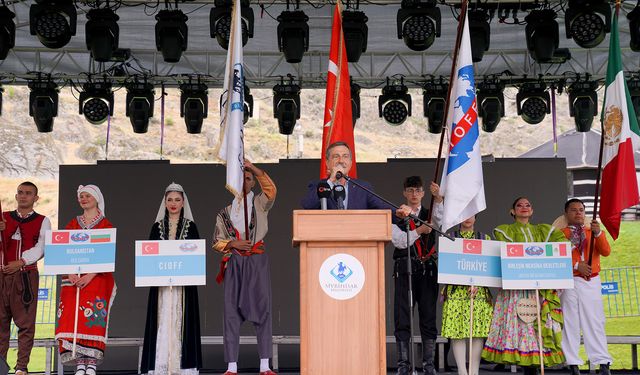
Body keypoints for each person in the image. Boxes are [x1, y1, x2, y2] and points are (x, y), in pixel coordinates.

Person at [481, 197, 566, 375]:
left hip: (537, 287)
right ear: (512, 211)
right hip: (517, 288)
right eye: (519, 205)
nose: (524, 208)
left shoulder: (543, 231)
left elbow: (561, 244)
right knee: (520, 326)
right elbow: (508, 251)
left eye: (527, 205)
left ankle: (534, 368)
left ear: (532, 210)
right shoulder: (506, 231)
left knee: (536, 328)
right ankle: (526, 366)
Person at [213, 160, 277, 375]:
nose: (244, 182)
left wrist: (255, 169)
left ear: (253, 183)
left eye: (248, 179)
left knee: (262, 308)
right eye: (240, 178)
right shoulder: (224, 213)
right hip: (234, 262)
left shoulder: (260, 203)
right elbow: (217, 241)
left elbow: (271, 189)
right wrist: (232, 244)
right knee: (231, 311)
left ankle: (265, 365)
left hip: (256, 261)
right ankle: (232, 366)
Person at [430, 182, 493, 375]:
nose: (467, 217)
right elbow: (448, 267)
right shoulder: (451, 238)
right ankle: (462, 371)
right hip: (456, 292)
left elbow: (490, 267)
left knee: (477, 334)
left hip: (479, 293)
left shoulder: (485, 238)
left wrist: (478, 283)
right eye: (463, 213)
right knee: (457, 333)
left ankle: (474, 371)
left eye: (471, 213)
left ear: (476, 216)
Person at [140, 183, 202, 375]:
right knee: (162, 317)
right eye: (170, 200)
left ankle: (184, 367)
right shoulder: (156, 227)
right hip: (161, 287)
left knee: (183, 320)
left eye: (177, 199)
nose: (173, 203)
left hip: (184, 287)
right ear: (165, 202)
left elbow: (196, 257)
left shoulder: (191, 227)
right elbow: (149, 257)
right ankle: (160, 364)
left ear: (183, 202)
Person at [55, 185, 117, 375]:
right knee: (73, 317)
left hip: (96, 278)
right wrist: (69, 273)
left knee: (91, 317)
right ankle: (80, 363)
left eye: (87, 195)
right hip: (74, 280)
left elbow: (107, 254)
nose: (83, 199)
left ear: (97, 198)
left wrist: (90, 274)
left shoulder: (106, 225)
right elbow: (64, 249)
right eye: (81, 196)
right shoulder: (73, 223)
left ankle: (91, 362)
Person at [0, 181, 51, 375]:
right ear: (16, 195)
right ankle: (1, 366)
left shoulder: (43, 220)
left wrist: (21, 261)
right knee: (0, 324)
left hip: (25, 275)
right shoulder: (3, 218)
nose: (23, 196)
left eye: (28, 193)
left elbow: (42, 247)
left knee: (26, 324)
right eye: (20, 192)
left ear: (35, 198)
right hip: (2, 274)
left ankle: (22, 367)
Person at [391, 176, 439, 375]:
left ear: (423, 193)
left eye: (417, 190)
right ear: (404, 192)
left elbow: (443, 222)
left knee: (428, 316)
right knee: (402, 317)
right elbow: (400, 241)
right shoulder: (396, 216)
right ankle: (403, 365)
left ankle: (429, 365)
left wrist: (440, 199)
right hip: (404, 269)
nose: (414, 194)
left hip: (427, 269)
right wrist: (419, 230)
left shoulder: (431, 213)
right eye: (410, 190)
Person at [560, 198, 612, 375]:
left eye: (581, 209)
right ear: (566, 214)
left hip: (591, 280)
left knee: (595, 320)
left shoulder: (593, 231)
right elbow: (556, 256)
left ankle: (602, 361)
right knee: (570, 320)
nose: (578, 213)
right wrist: (576, 265)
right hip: (570, 280)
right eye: (573, 210)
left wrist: (598, 234)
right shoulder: (560, 234)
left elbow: (605, 251)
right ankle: (572, 362)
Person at [301, 141, 392, 210]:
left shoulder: (363, 187)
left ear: (351, 163)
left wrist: (400, 213)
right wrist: (331, 181)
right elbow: (308, 205)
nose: (341, 160)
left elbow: (383, 209)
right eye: (336, 156)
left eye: (345, 156)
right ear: (327, 163)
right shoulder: (317, 185)